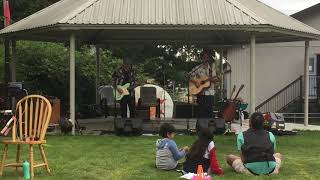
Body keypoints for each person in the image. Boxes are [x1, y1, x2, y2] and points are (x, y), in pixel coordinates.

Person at [189, 49, 219, 119]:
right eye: (204, 57)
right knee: (201, 112)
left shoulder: (212, 68)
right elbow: (189, 76)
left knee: (210, 113)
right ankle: (200, 127)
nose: (206, 59)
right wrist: (197, 82)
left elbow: (214, 80)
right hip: (201, 93)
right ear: (202, 58)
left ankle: (210, 128)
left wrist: (217, 79)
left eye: (207, 57)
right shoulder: (198, 68)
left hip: (210, 93)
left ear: (208, 58)